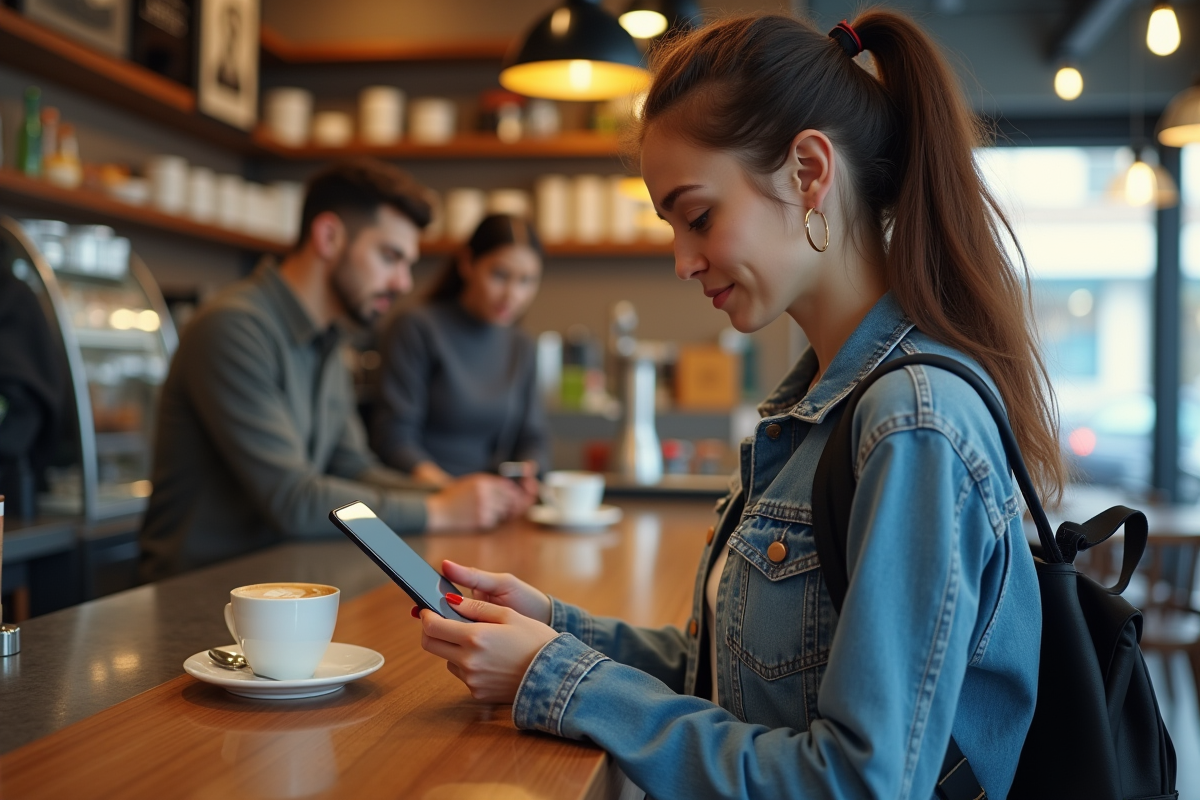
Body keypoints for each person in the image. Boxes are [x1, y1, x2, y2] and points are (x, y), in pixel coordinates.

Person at [415, 11, 1066, 799]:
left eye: (698, 217)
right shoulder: (817, 413)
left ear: (809, 172)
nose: (684, 262)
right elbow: (743, 675)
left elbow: (859, 785)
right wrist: (556, 628)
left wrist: (563, 679)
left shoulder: (912, 426)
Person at [139, 161, 530, 580]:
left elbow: (353, 468)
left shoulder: (328, 339)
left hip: (279, 587)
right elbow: (292, 500)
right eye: (389, 256)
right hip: (196, 598)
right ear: (328, 237)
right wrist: (438, 510)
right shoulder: (234, 327)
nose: (402, 283)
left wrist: (457, 493)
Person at [371, 213, 548, 488]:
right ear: (467, 264)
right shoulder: (417, 328)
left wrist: (526, 474)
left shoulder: (520, 345)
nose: (512, 295)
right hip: (425, 497)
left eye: (526, 281)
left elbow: (533, 439)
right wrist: (453, 494)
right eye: (500, 275)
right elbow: (394, 439)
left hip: (490, 503)